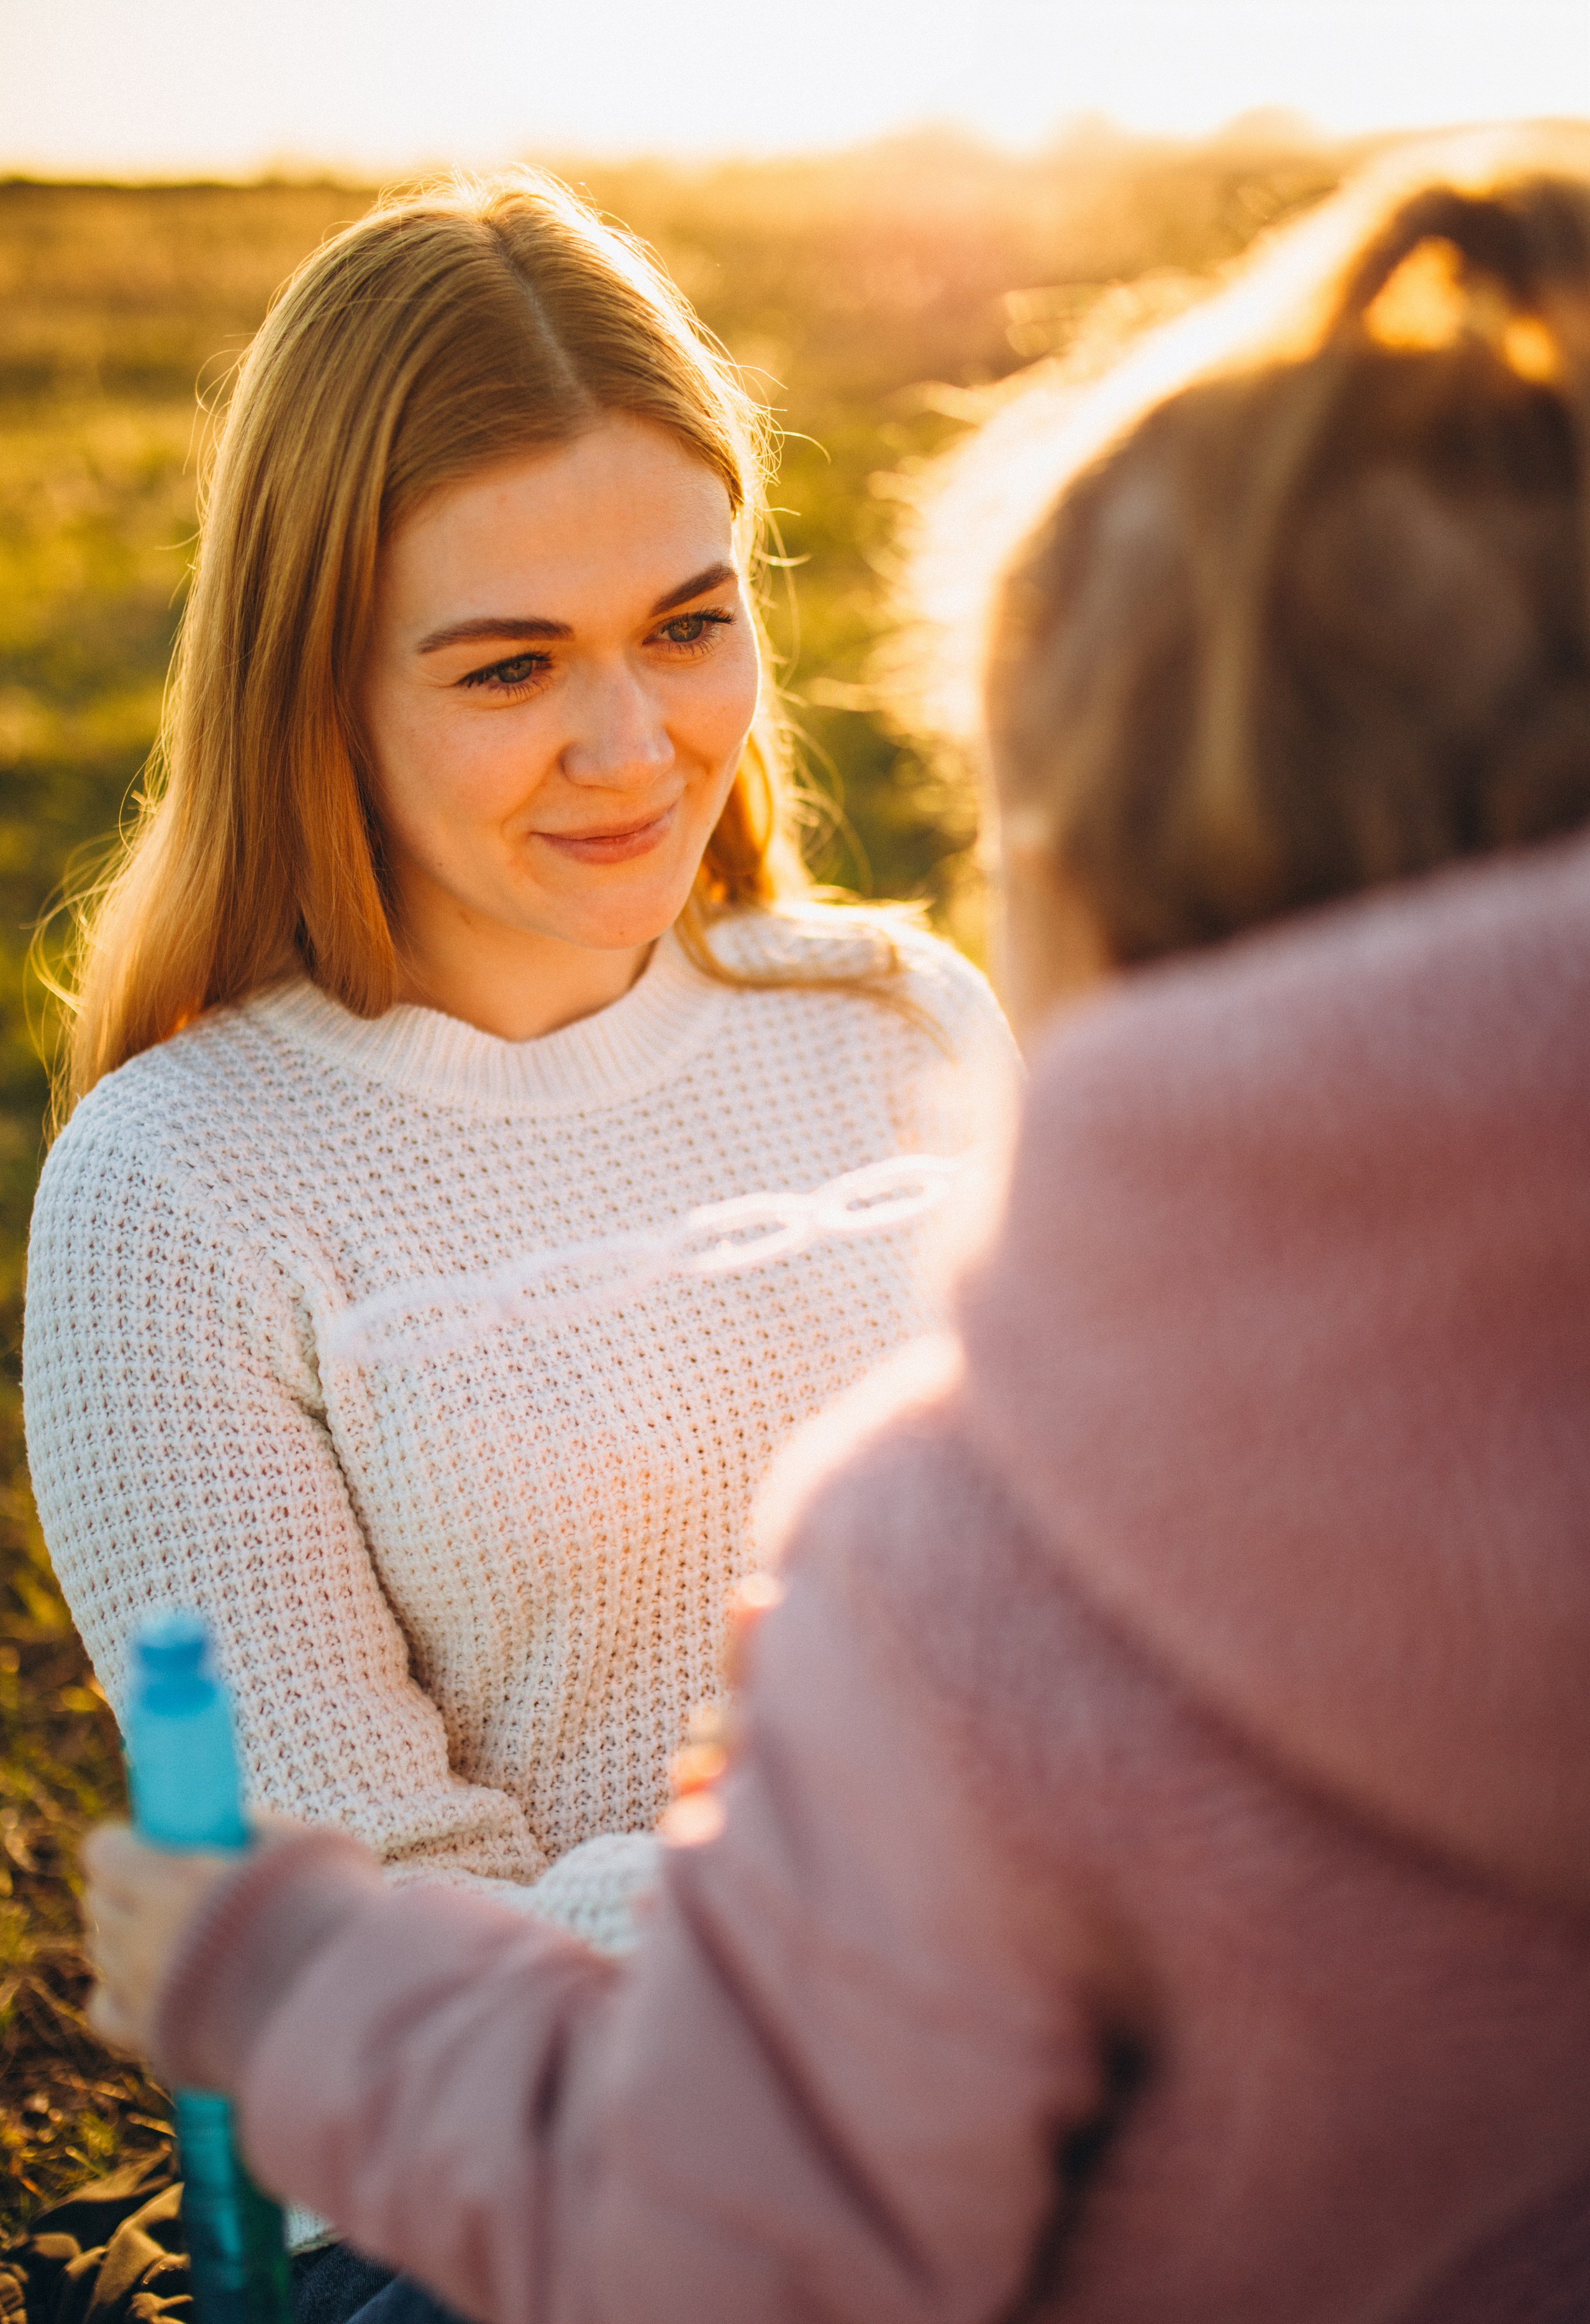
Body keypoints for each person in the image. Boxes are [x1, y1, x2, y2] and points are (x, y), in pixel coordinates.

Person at [80, 128, 1590, 2323]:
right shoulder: (183, 1179)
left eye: (691, 626)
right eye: (508, 667)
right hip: (484, 2173)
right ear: (316, 680)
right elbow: (361, 1902)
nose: (631, 742)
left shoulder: (896, 1014)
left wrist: (966, 1945)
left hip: (1052, 2062)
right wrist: (904, 1930)